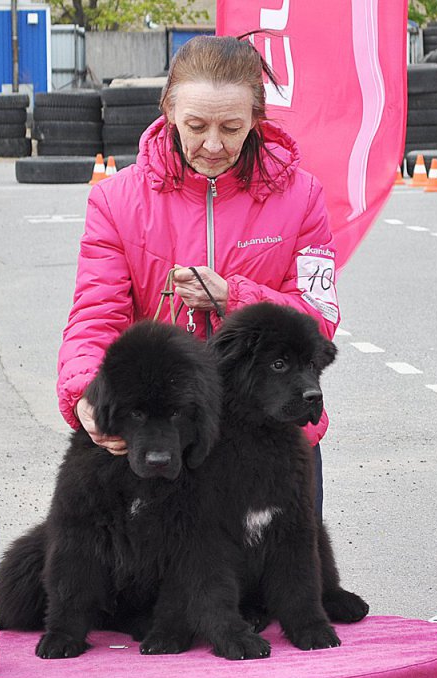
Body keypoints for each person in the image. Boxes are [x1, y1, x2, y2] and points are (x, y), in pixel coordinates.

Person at [57, 35, 339, 516]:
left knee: (283, 586)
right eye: (196, 125)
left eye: (231, 127)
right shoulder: (115, 201)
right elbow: (94, 317)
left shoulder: (304, 197)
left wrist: (235, 297)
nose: (213, 144)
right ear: (168, 110)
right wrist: (83, 391)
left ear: (256, 118)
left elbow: (319, 323)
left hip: (273, 435)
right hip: (169, 440)